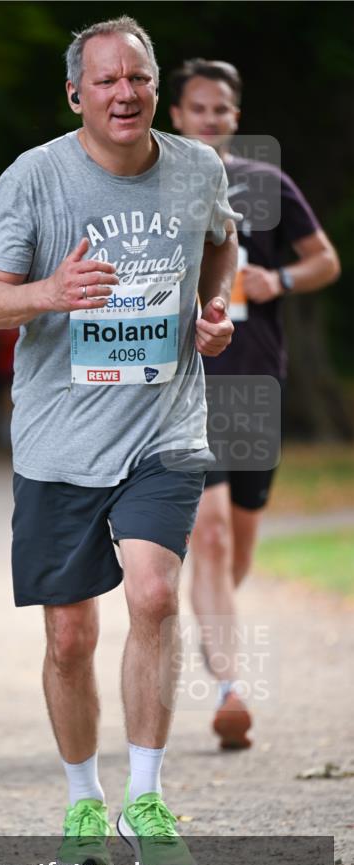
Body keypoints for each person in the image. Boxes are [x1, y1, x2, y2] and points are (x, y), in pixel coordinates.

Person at [0, 17, 239, 865]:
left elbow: (222, 238)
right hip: (58, 443)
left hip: (164, 428)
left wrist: (210, 309)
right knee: (68, 639)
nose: (125, 93)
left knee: (155, 595)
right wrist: (50, 290)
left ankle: (146, 797)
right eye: (106, 81)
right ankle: (83, 797)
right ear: (76, 94)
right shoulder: (34, 178)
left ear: (154, 86)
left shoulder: (197, 166)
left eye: (139, 78)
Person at [168, 59, 341, 749]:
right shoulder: (156, 186)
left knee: (234, 549)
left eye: (221, 109)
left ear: (234, 117)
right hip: (185, 388)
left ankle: (212, 621)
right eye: (197, 108)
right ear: (175, 115)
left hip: (253, 384)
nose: (210, 118)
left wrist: (280, 280)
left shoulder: (266, 186)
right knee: (205, 534)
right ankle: (229, 686)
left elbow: (325, 259)